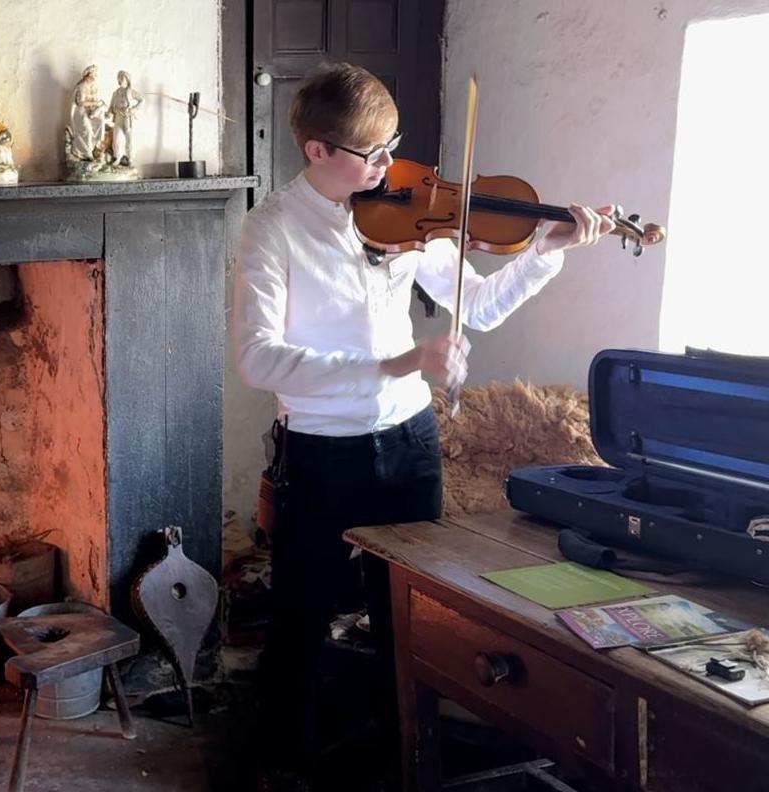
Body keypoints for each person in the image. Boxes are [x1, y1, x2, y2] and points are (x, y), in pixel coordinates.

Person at [233, 62, 614, 792]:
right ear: (317, 150)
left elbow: (482, 304)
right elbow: (259, 359)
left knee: (407, 618)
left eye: (392, 147)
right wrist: (398, 359)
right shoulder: (273, 230)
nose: (387, 166)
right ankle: (281, 765)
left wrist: (544, 252)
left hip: (410, 446)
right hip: (321, 455)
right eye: (370, 153)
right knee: (298, 624)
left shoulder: (402, 211)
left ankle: (401, 760)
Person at [108, 70, 142, 167]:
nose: (120, 81)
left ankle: (130, 158)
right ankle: (117, 157)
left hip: (127, 117)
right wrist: (109, 112)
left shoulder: (131, 92)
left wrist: (134, 109)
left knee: (129, 138)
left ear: (127, 79)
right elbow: (111, 105)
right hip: (118, 117)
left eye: (122, 79)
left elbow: (142, 100)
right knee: (116, 138)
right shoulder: (116, 93)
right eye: (119, 79)